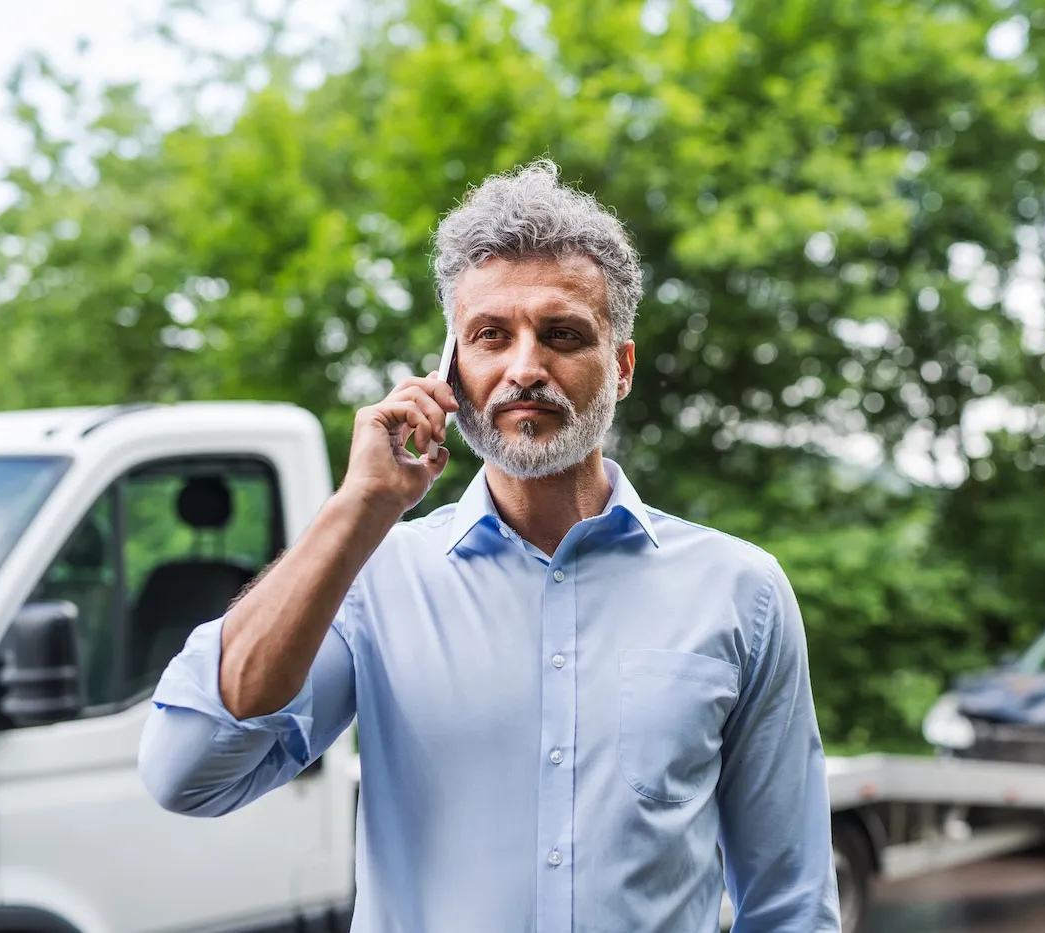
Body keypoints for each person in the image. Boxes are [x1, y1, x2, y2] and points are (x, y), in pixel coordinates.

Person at [138, 159, 841, 933]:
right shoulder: (375, 580)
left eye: (564, 334)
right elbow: (187, 770)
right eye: (490, 336)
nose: (525, 367)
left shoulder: (740, 589)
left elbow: (790, 903)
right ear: (452, 371)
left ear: (622, 367)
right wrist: (360, 506)